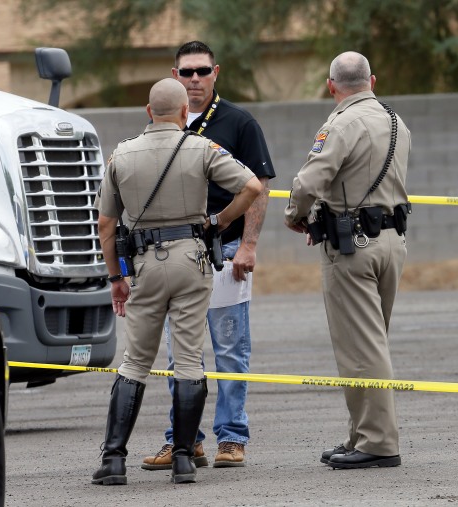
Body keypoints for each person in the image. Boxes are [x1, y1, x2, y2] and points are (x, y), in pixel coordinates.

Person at [92, 78, 261, 486]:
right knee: (188, 359)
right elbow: (253, 186)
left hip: (145, 264)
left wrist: (116, 277)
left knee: (135, 360)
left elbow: (106, 225)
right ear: (185, 112)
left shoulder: (122, 155)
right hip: (192, 258)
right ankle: (184, 458)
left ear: (148, 112)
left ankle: (114, 460)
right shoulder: (201, 148)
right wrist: (218, 222)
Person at [142, 40, 275, 471]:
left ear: (216, 72)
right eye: (186, 72)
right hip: (176, 254)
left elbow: (260, 185)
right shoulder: (164, 124)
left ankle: (232, 438)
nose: (195, 79)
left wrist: (249, 245)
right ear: (174, 75)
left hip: (225, 249)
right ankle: (185, 440)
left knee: (231, 349)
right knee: (181, 352)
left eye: (202, 71)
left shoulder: (238, 122)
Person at [284, 51, 411, 469]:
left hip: (352, 247)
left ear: (331, 85)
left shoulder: (340, 123)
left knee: (360, 347)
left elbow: (309, 181)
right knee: (373, 342)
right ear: (372, 80)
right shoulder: (396, 122)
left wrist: (296, 216)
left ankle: (377, 443)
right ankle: (362, 433)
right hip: (391, 242)